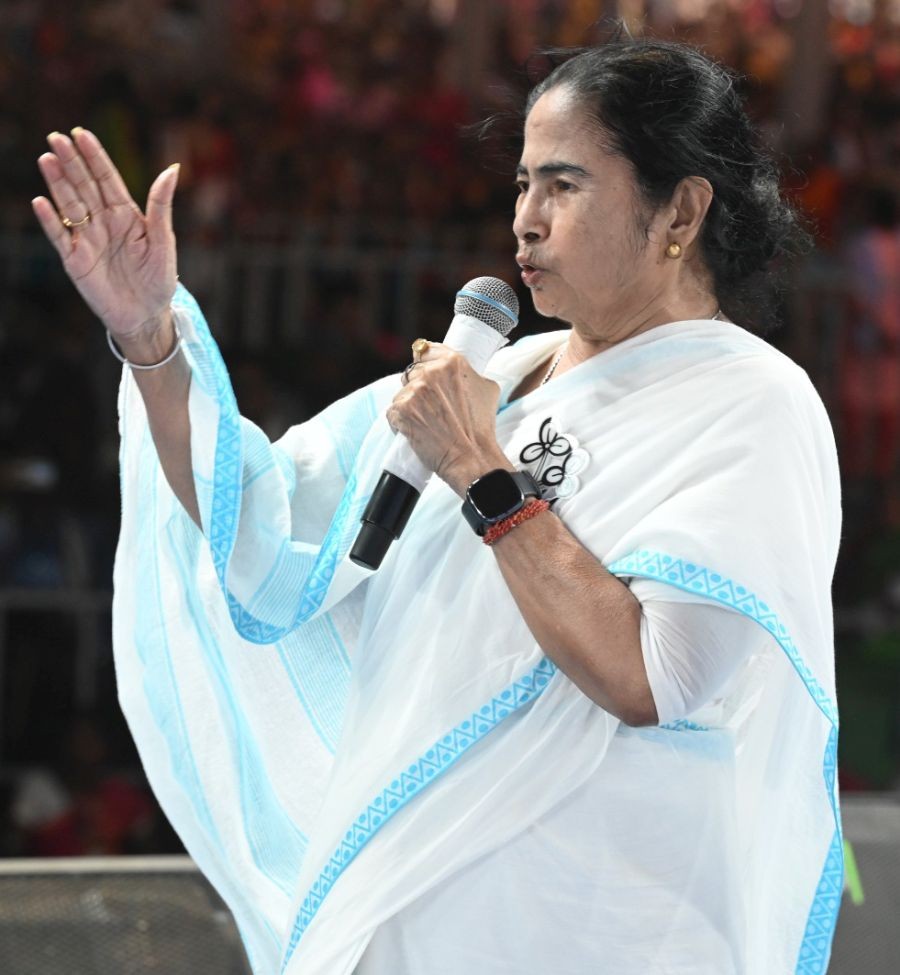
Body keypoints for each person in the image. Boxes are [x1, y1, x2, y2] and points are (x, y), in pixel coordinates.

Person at [33, 36, 841, 975]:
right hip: (412, 926)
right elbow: (258, 520)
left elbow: (653, 675)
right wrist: (149, 334)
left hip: (605, 933)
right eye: (522, 185)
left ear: (682, 209)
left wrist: (479, 470)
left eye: (565, 186)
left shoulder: (750, 401)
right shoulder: (494, 378)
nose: (525, 222)